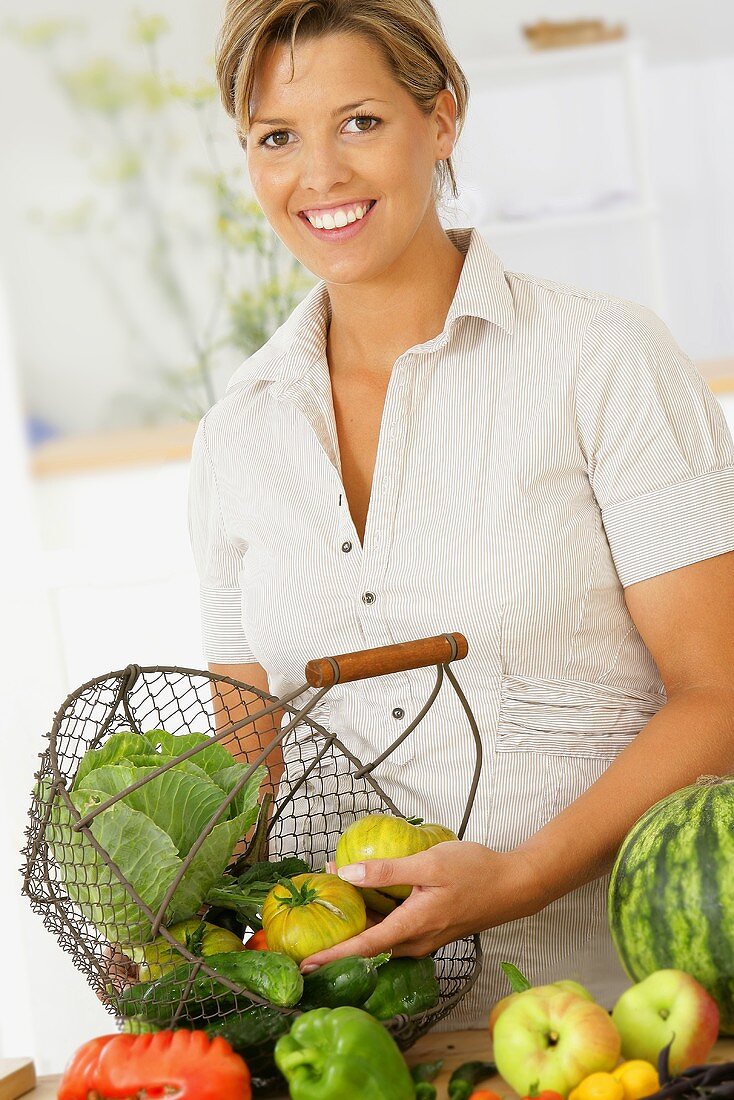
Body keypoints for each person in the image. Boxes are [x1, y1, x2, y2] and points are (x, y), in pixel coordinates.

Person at [187, 0, 734, 1028]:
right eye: (275, 136)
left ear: (439, 119)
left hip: (609, 1002)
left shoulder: (601, 360)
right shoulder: (235, 436)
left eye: (359, 121)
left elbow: (720, 693)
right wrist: (175, 915)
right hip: (346, 1030)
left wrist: (519, 875)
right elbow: (241, 761)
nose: (320, 175)